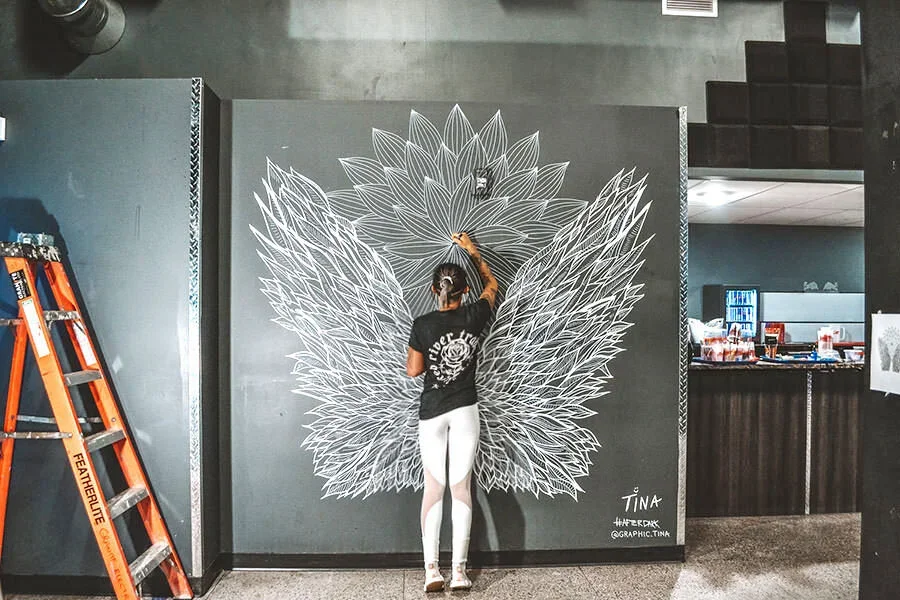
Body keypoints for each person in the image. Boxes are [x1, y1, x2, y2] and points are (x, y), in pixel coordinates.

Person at [406, 232, 499, 592]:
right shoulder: (476, 314)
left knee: (435, 488)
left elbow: (413, 370)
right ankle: (459, 572)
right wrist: (473, 253)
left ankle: (432, 570)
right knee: (461, 488)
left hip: (432, 412)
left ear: (434, 290)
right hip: (465, 411)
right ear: (463, 292)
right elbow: (492, 283)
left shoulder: (423, 324)